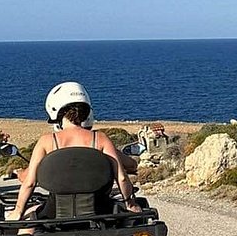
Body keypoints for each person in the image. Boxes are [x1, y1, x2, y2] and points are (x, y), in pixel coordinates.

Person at [10, 82, 140, 221]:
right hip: (99, 209)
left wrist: (18, 211)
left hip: (56, 210)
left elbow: (30, 182)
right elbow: (121, 177)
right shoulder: (100, 139)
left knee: (27, 225)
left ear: (55, 111)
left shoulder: (46, 141)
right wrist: (130, 203)